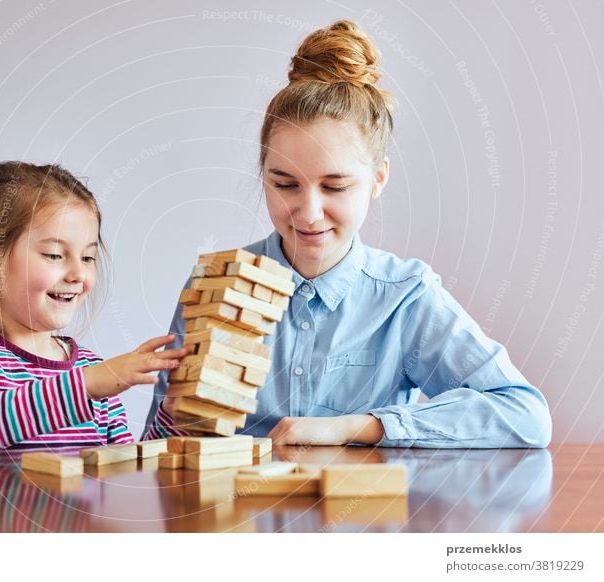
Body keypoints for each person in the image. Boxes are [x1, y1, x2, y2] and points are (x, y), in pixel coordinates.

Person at [144, 20, 551, 448]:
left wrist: (356, 426)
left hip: (360, 514)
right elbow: (159, 450)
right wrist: (176, 417)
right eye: (284, 184)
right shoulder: (215, 286)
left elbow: (524, 414)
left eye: (334, 187)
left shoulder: (405, 298)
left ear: (378, 179)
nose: (308, 212)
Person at [0, 161, 186, 458]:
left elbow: (123, 472)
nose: (78, 274)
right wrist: (86, 386)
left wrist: (171, 419)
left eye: (88, 258)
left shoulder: (90, 368)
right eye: (55, 255)